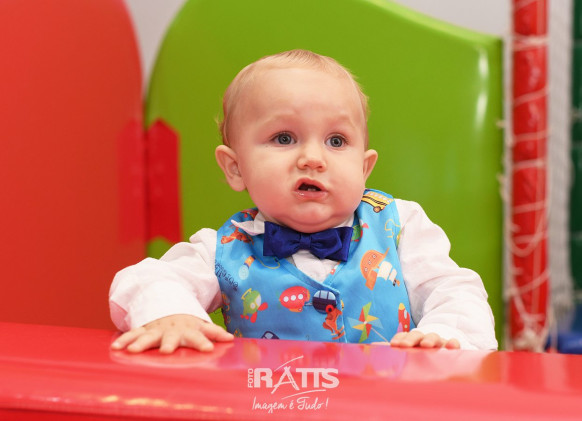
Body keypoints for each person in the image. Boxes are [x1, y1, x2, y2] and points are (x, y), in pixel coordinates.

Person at [110, 49, 497, 354]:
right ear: (236, 168)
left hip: (386, 408)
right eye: (284, 138)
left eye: (336, 141)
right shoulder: (223, 249)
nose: (313, 158)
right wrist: (171, 314)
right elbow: (147, 279)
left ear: (364, 168)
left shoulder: (400, 227)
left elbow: (454, 289)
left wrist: (443, 335)